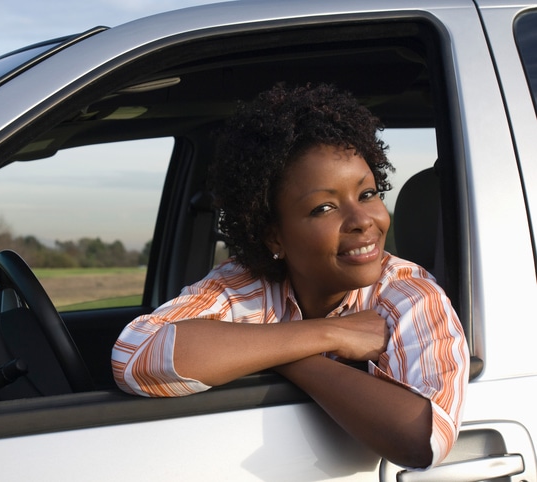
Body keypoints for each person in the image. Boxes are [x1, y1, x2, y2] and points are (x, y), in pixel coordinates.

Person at [111, 83, 469, 470]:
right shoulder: (243, 284)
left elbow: (423, 438)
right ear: (274, 236)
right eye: (324, 207)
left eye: (367, 194)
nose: (363, 220)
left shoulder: (407, 294)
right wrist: (327, 336)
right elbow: (134, 356)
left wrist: (281, 357)